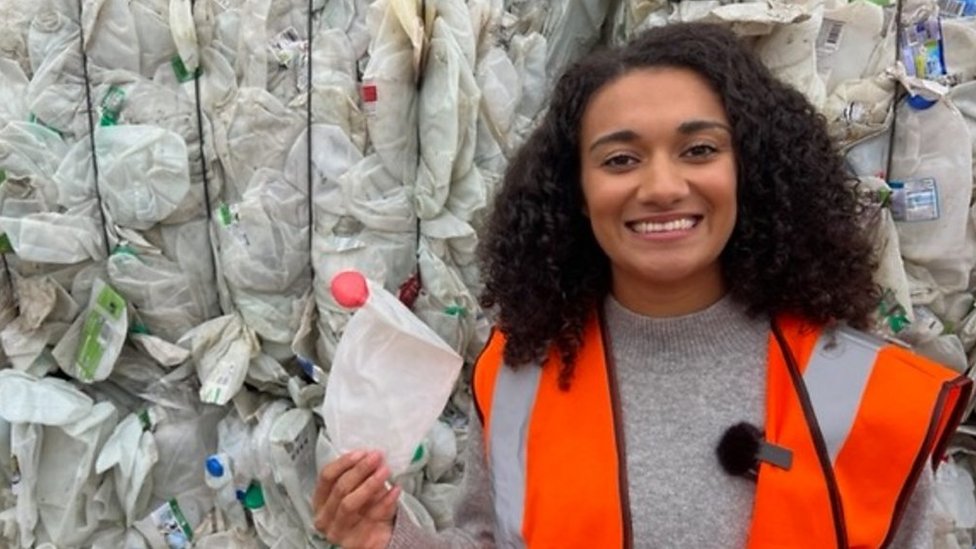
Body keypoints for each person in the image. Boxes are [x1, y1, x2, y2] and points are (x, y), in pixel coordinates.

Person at [312, 22, 972, 548]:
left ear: (752, 170)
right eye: (620, 159)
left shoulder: (863, 393)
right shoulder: (519, 374)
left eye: (699, 150)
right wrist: (386, 538)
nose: (660, 187)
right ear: (576, 188)